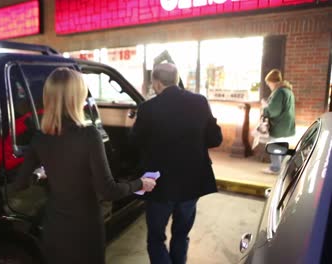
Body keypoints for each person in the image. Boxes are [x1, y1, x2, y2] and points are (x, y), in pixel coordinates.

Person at [16, 67, 157, 264]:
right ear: (76, 97)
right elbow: (108, 190)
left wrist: (42, 172)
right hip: (85, 229)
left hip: (54, 227)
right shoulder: (89, 135)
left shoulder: (39, 138)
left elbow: (20, 184)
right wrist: (140, 183)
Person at [132, 63, 222, 264]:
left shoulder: (148, 108)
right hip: (192, 183)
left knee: (156, 238)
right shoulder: (199, 102)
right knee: (181, 235)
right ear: (176, 79)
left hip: (159, 185)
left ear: (156, 82)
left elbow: (135, 140)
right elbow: (215, 139)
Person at [261, 69, 295, 175]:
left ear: (272, 81)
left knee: (274, 146)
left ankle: (275, 168)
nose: (268, 86)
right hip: (287, 125)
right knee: (283, 148)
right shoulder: (288, 91)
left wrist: (265, 107)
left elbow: (274, 111)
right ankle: (284, 169)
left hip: (278, 125)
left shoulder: (279, 92)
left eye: (268, 83)